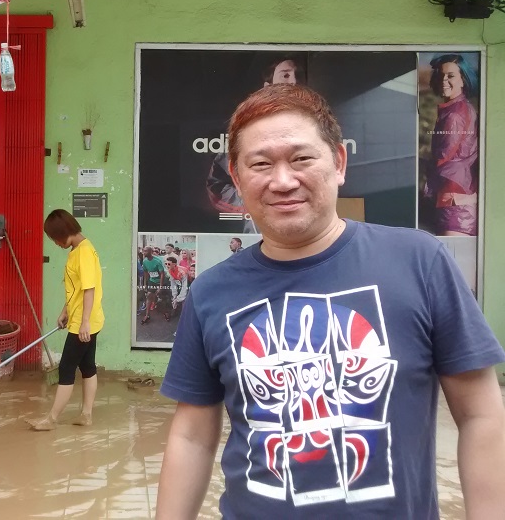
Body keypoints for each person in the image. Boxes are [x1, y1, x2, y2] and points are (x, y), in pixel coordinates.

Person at [157, 84, 505, 519]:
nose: (283, 181)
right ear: (236, 175)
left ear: (339, 162)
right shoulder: (211, 292)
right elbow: (192, 436)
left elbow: (481, 414)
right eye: (261, 164)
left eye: (302, 158)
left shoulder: (419, 261)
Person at [26, 209, 104, 430]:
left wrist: (84, 322)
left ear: (62, 233)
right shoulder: (79, 249)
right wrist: (65, 311)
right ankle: (86, 415)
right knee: (87, 366)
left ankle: (50, 420)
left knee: (67, 369)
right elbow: (77, 289)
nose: (54, 243)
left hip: (83, 323)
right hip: (84, 318)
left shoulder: (84, 253)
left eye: (53, 238)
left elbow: (89, 289)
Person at [206, 54, 306, 221]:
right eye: (286, 75)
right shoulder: (249, 131)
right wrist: (257, 207)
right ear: (268, 86)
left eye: (299, 76)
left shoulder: (322, 128)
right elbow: (217, 184)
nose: (294, 81)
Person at [424, 54, 479, 236]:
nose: (443, 80)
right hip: (456, 200)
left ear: (464, 79)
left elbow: (443, 158)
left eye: (451, 75)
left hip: (456, 205)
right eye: (440, 75)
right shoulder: (460, 109)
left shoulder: (455, 115)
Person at [141, 245, 166, 324]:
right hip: (152, 280)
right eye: (143, 251)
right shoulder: (144, 261)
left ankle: (167, 313)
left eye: (146, 251)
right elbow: (145, 273)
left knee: (164, 299)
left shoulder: (157, 261)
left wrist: (160, 286)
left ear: (151, 252)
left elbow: (162, 274)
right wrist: (145, 284)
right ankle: (147, 315)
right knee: (149, 295)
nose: (144, 253)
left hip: (161, 281)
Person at [164, 256, 189, 322]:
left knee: (184, 300)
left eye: (169, 264)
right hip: (179, 283)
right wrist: (174, 296)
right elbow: (173, 283)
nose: (167, 265)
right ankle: (173, 310)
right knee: (172, 297)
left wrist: (178, 299)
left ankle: (185, 317)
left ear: (174, 264)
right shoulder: (170, 270)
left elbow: (185, 286)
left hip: (188, 283)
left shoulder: (182, 272)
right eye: (166, 264)